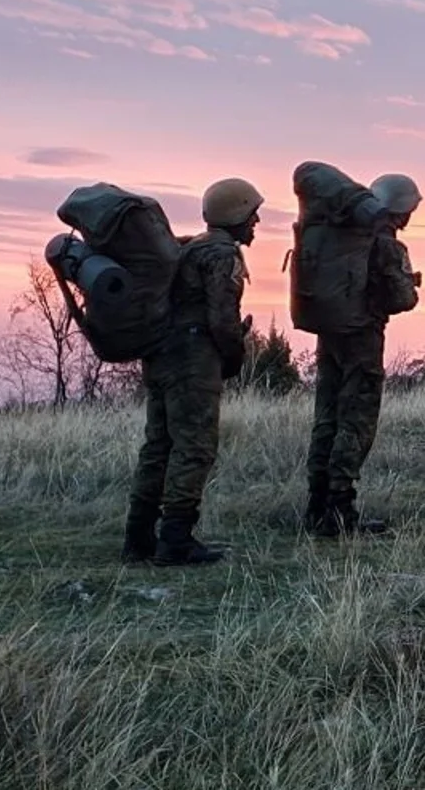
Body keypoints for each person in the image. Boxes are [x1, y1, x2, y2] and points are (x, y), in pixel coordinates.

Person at [131, 177, 260, 566]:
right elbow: (222, 318)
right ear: (236, 214)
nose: (256, 223)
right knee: (194, 448)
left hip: (161, 355)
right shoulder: (222, 255)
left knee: (158, 447)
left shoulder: (188, 248)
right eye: (252, 215)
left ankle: (138, 539)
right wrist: (233, 357)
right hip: (193, 360)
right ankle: (175, 541)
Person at [305, 173, 422, 538]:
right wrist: (409, 285)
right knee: (356, 421)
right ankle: (340, 511)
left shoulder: (343, 237)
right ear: (401, 210)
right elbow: (402, 299)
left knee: (327, 416)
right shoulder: (386, 245)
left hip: (332, 331)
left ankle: (316, 506)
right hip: (363, 338)